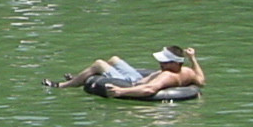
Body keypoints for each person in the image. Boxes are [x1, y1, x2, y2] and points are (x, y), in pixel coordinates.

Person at [48, 44, 204, 96]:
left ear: (173, 63)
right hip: (138, 79)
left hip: (131, 84)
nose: (160, 63)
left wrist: (121, 92)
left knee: (99, 64)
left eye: (163, 61)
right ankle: (79, 78)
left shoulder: (168, 76)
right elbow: (201, 81)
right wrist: (193, 58)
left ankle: (64, 86)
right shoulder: (188, 71)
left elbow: (149, 90)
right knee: (114, 59)